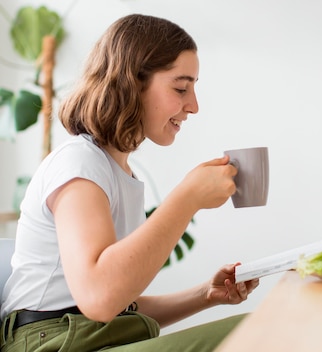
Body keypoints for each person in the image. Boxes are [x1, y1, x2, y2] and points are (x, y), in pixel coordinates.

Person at [0, 14, 260, 352]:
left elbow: (116, 306)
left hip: (82, 336)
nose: (193, 106)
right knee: (259, 329)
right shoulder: (79, 164)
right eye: (181, 88)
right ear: (131, 83)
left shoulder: (116, 172)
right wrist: (189, 196)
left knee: (258, 326)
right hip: (50, 343)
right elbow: (99, 299)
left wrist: (205, 296)